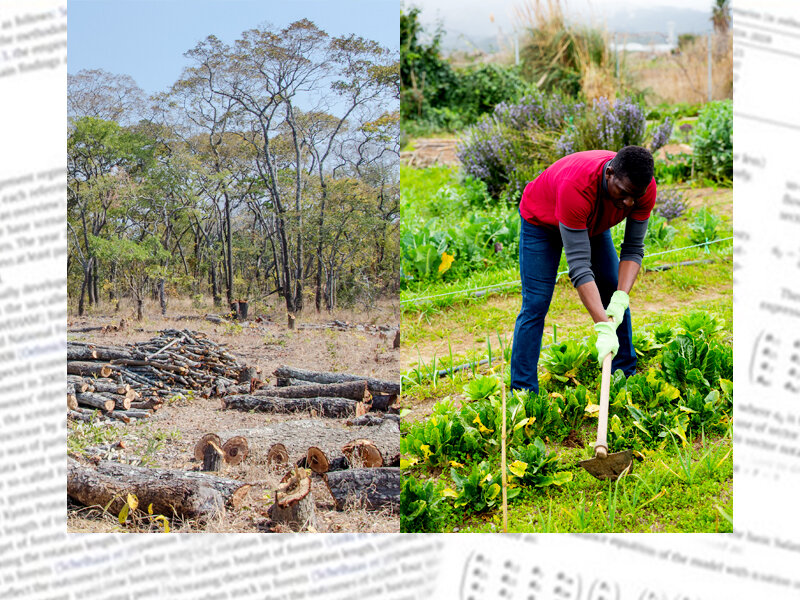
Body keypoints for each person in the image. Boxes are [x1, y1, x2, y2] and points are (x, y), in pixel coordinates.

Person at [510, 145, 656, 393]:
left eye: (635, 196)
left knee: (613, 290)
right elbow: (579, 266)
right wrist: (602, 326)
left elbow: (633, 249)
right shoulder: (576, 186)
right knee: (536, 303)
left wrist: (621, 298)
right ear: (609, 173)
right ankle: (523, 390)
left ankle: (623, 375)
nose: (628, 202)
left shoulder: (642, 189)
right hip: (542, 223)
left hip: (591, 223)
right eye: (623, 193)